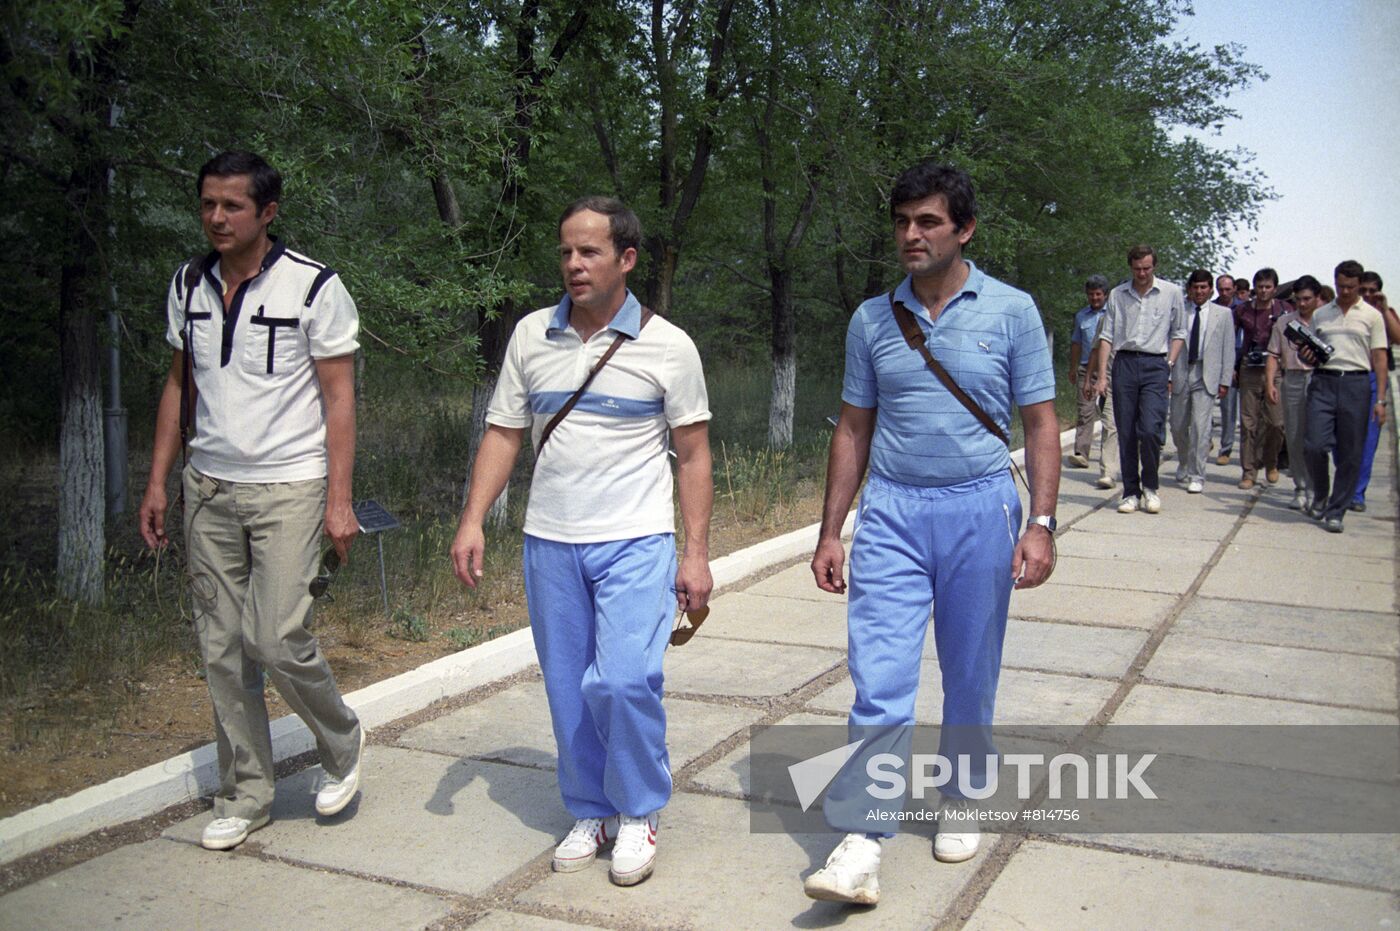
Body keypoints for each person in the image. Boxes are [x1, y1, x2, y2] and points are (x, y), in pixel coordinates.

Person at [804, 162, 1059, 906]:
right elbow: (853, 427)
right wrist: (831, 530)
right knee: (878, 676)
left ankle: (962, 793)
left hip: (982, 509)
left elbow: (1041, 424)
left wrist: (1041, 523)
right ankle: (862, 835)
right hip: (891, 514)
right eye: (902, 222)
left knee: (970, 671)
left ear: (964, 229)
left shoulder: (1012, 311)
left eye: (927, 222)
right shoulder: (871, 319)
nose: (910, 235)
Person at [450, 196, 713, 887]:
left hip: (635, 539)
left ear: (626, 258)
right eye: (566, 250)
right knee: (569, 687)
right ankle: (591, 808)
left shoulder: (669, 345)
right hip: (551, 540)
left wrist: (695, 553)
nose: (573, 264)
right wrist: (474, 517)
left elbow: (693, 454)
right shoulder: (532, 335)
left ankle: (639, 809)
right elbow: (504, 432)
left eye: (589, 251)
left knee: (623, 679)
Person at [137, 151, 365, 851]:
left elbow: (339, 399)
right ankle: (247, 792)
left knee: (275, 636)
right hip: (207, 487)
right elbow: (181, 385)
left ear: (267, 212)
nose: (216, 217)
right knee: (222, 647)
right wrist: (158, 480)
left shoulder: (314, 287)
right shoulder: (188, 283)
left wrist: (339, 500)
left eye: (232, 205)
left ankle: (342, 741)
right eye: (208, 203)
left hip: (290, 486)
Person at [1092, 245, 1186, 514]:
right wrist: (1102, 377)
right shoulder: (1118, 295)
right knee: (1127, 431)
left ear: (1154, 266)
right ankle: (1131, 492)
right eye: (1137, 269)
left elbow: (1179, 331)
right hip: (1125, 364)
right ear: (1130, 268)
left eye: (1146, 268)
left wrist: (1169, 362)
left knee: (1149, 429)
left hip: (1156, 363)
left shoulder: (1171, 292)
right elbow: (1106, 336)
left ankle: (1151, 487)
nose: (1142, 273)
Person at [1302, 260, 1388, 532]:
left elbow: (1379, 357)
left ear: (1359, 286)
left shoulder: (1371, 316)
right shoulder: (1321, 313)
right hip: (1324, 381)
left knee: (1351, 452)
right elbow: (1311, 349)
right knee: (1313, 445)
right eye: (1340, 286)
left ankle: (1336, 510)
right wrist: (1306, 356)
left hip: (1357, 384)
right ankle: (1320, 493)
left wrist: (1381, 399)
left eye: (1351, 287)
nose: (1345, 291)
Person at [1169, 270, 1233, 493]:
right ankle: (1184, 460)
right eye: (1195, 287)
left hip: (1206, 373)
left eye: (1204, 287)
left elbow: (1228, 349)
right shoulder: (1179, 310)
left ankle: (1197, 474)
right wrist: (1167, 374)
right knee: (1177, 425)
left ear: (1210, 289)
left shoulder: (1223, 314)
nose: (1199, 291)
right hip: (1181, 371)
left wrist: (1225, 379)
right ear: (1189, 289)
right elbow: (1169, 342)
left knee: (1200, 427)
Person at [1265, 274, 1322, 510]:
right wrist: (1270, 383)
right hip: (1293, 379)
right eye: (1298, 299)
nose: (1302, 304)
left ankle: (1317, 488)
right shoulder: (1285, 322)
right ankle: (1300, 488)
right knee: (1295, 436)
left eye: (1307, 299)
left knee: (1317, 439)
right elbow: (1273, 354)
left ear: (1318, 298)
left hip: (1321, 379)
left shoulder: (1325, 321)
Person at [1350, 271, 1400, 511]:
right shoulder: (1351, 311)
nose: (1368, 295)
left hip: (1373, 378)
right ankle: (1345, 485)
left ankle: (1358, 493)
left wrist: (1384, 308)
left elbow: (1398, 338)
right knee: (1345, 438)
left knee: (1369, 440)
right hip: (1350, 377)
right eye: (1364, 291)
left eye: (1372, 291)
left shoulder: (1383, 313)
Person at [1233, 268, 1288, 489]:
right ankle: (1249, 471)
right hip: (1250, 367)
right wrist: (1232, 366)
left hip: (1276, 368)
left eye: (1268, 287)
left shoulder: (1284, 310)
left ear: (1275, 288)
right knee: (1248, 423)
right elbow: (1231, 337)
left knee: (1276, 422)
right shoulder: (1242, 310)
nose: (1263, 291)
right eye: (1260, 286)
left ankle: (1271, 461)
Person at [1067, 275, 1116, 488]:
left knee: (1109, 417)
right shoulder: (1082, 317)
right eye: (1091, 294)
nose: (1094, 298)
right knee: (1085, 411)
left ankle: (1109, 460)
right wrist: (1073, 366)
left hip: (1110, 370)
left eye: (1098, 294)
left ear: (1105, 295)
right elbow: (1077, 343)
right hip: (1087, 368)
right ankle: (1081, 452)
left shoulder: (1114, 315)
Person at [1214, 274, 1241, 466]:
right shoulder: (1212, 307)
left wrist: (1233, 365)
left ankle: (1226, 448)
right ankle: (1205, 441)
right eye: (1220, 289)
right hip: (1211, 360)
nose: (1224, 293)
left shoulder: (1242, 309)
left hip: (1234, 360)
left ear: (1234, 289)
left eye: (1227, 289)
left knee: (1228, 408)